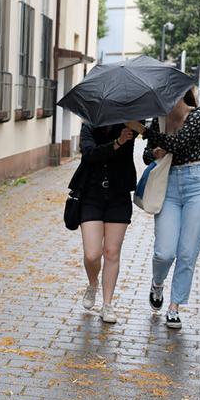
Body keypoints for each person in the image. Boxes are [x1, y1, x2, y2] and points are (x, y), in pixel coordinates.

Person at [126, 89, 200, 330]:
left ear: (180, 94)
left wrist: (145, 132)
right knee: (164, 252)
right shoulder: (160, 121)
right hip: (169, 185)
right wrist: (153, 151)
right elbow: (146, 155)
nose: (162, 102)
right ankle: (157, 283)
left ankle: (174, 307)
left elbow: (179, 143)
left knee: (187, 253)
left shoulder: (198, 115)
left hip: (197, 185)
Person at [69, 123, 136, 323]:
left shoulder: (128, 125)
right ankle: (92, 284)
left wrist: (135, 131)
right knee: (92, 254)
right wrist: (117, 142)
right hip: (91, 195)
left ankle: (107, 305)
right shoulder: (89, 126)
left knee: (111, 252)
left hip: (119, 196)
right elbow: (89, 154)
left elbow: (143, 141)